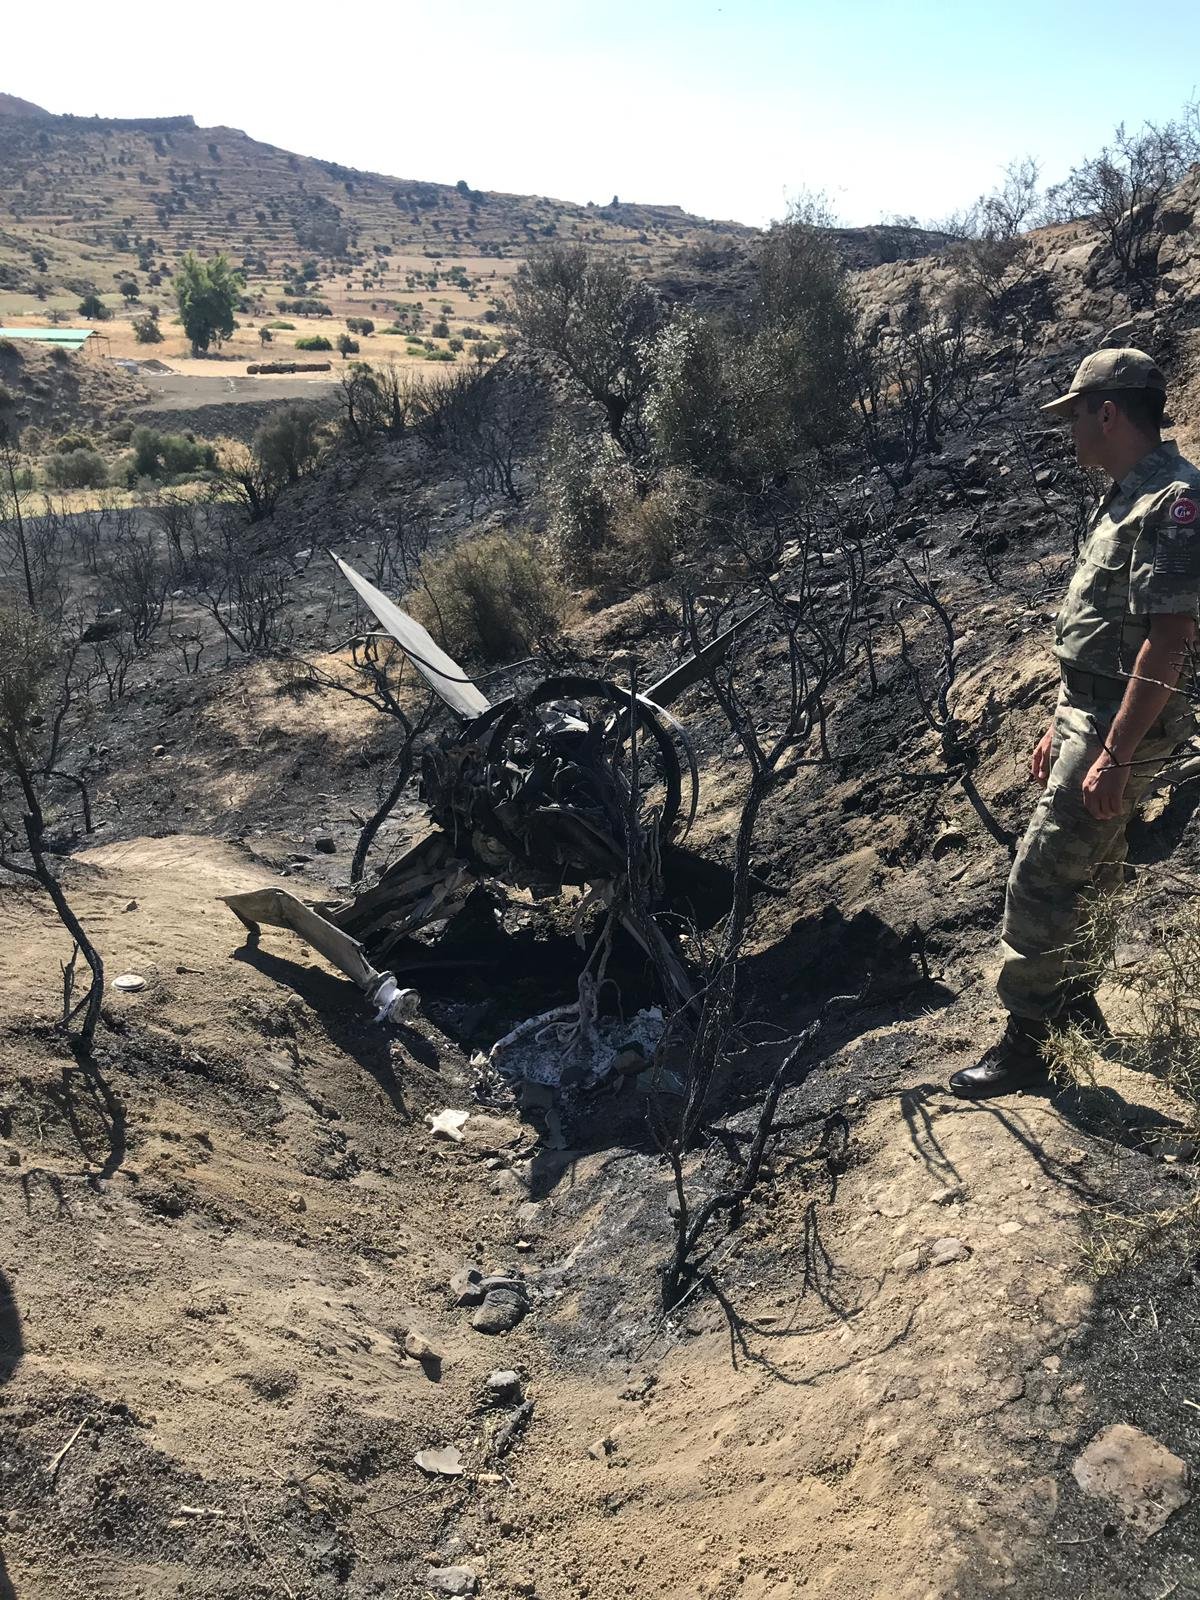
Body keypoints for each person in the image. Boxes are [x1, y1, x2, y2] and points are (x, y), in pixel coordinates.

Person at [950, 344, 1200, 1098]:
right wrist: (1065, 720)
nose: (1070, 432)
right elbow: (1105, 625)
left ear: (1110, 413)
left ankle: (1028, 1039)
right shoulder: (1128, 491)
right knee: (1100, 863)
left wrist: (1115, 752)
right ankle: (1077, 1004)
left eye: (1076, 416)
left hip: (1127, 719)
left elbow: (1168, 638)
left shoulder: (1173, 501)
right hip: (1094, 708)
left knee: (1043, 873)